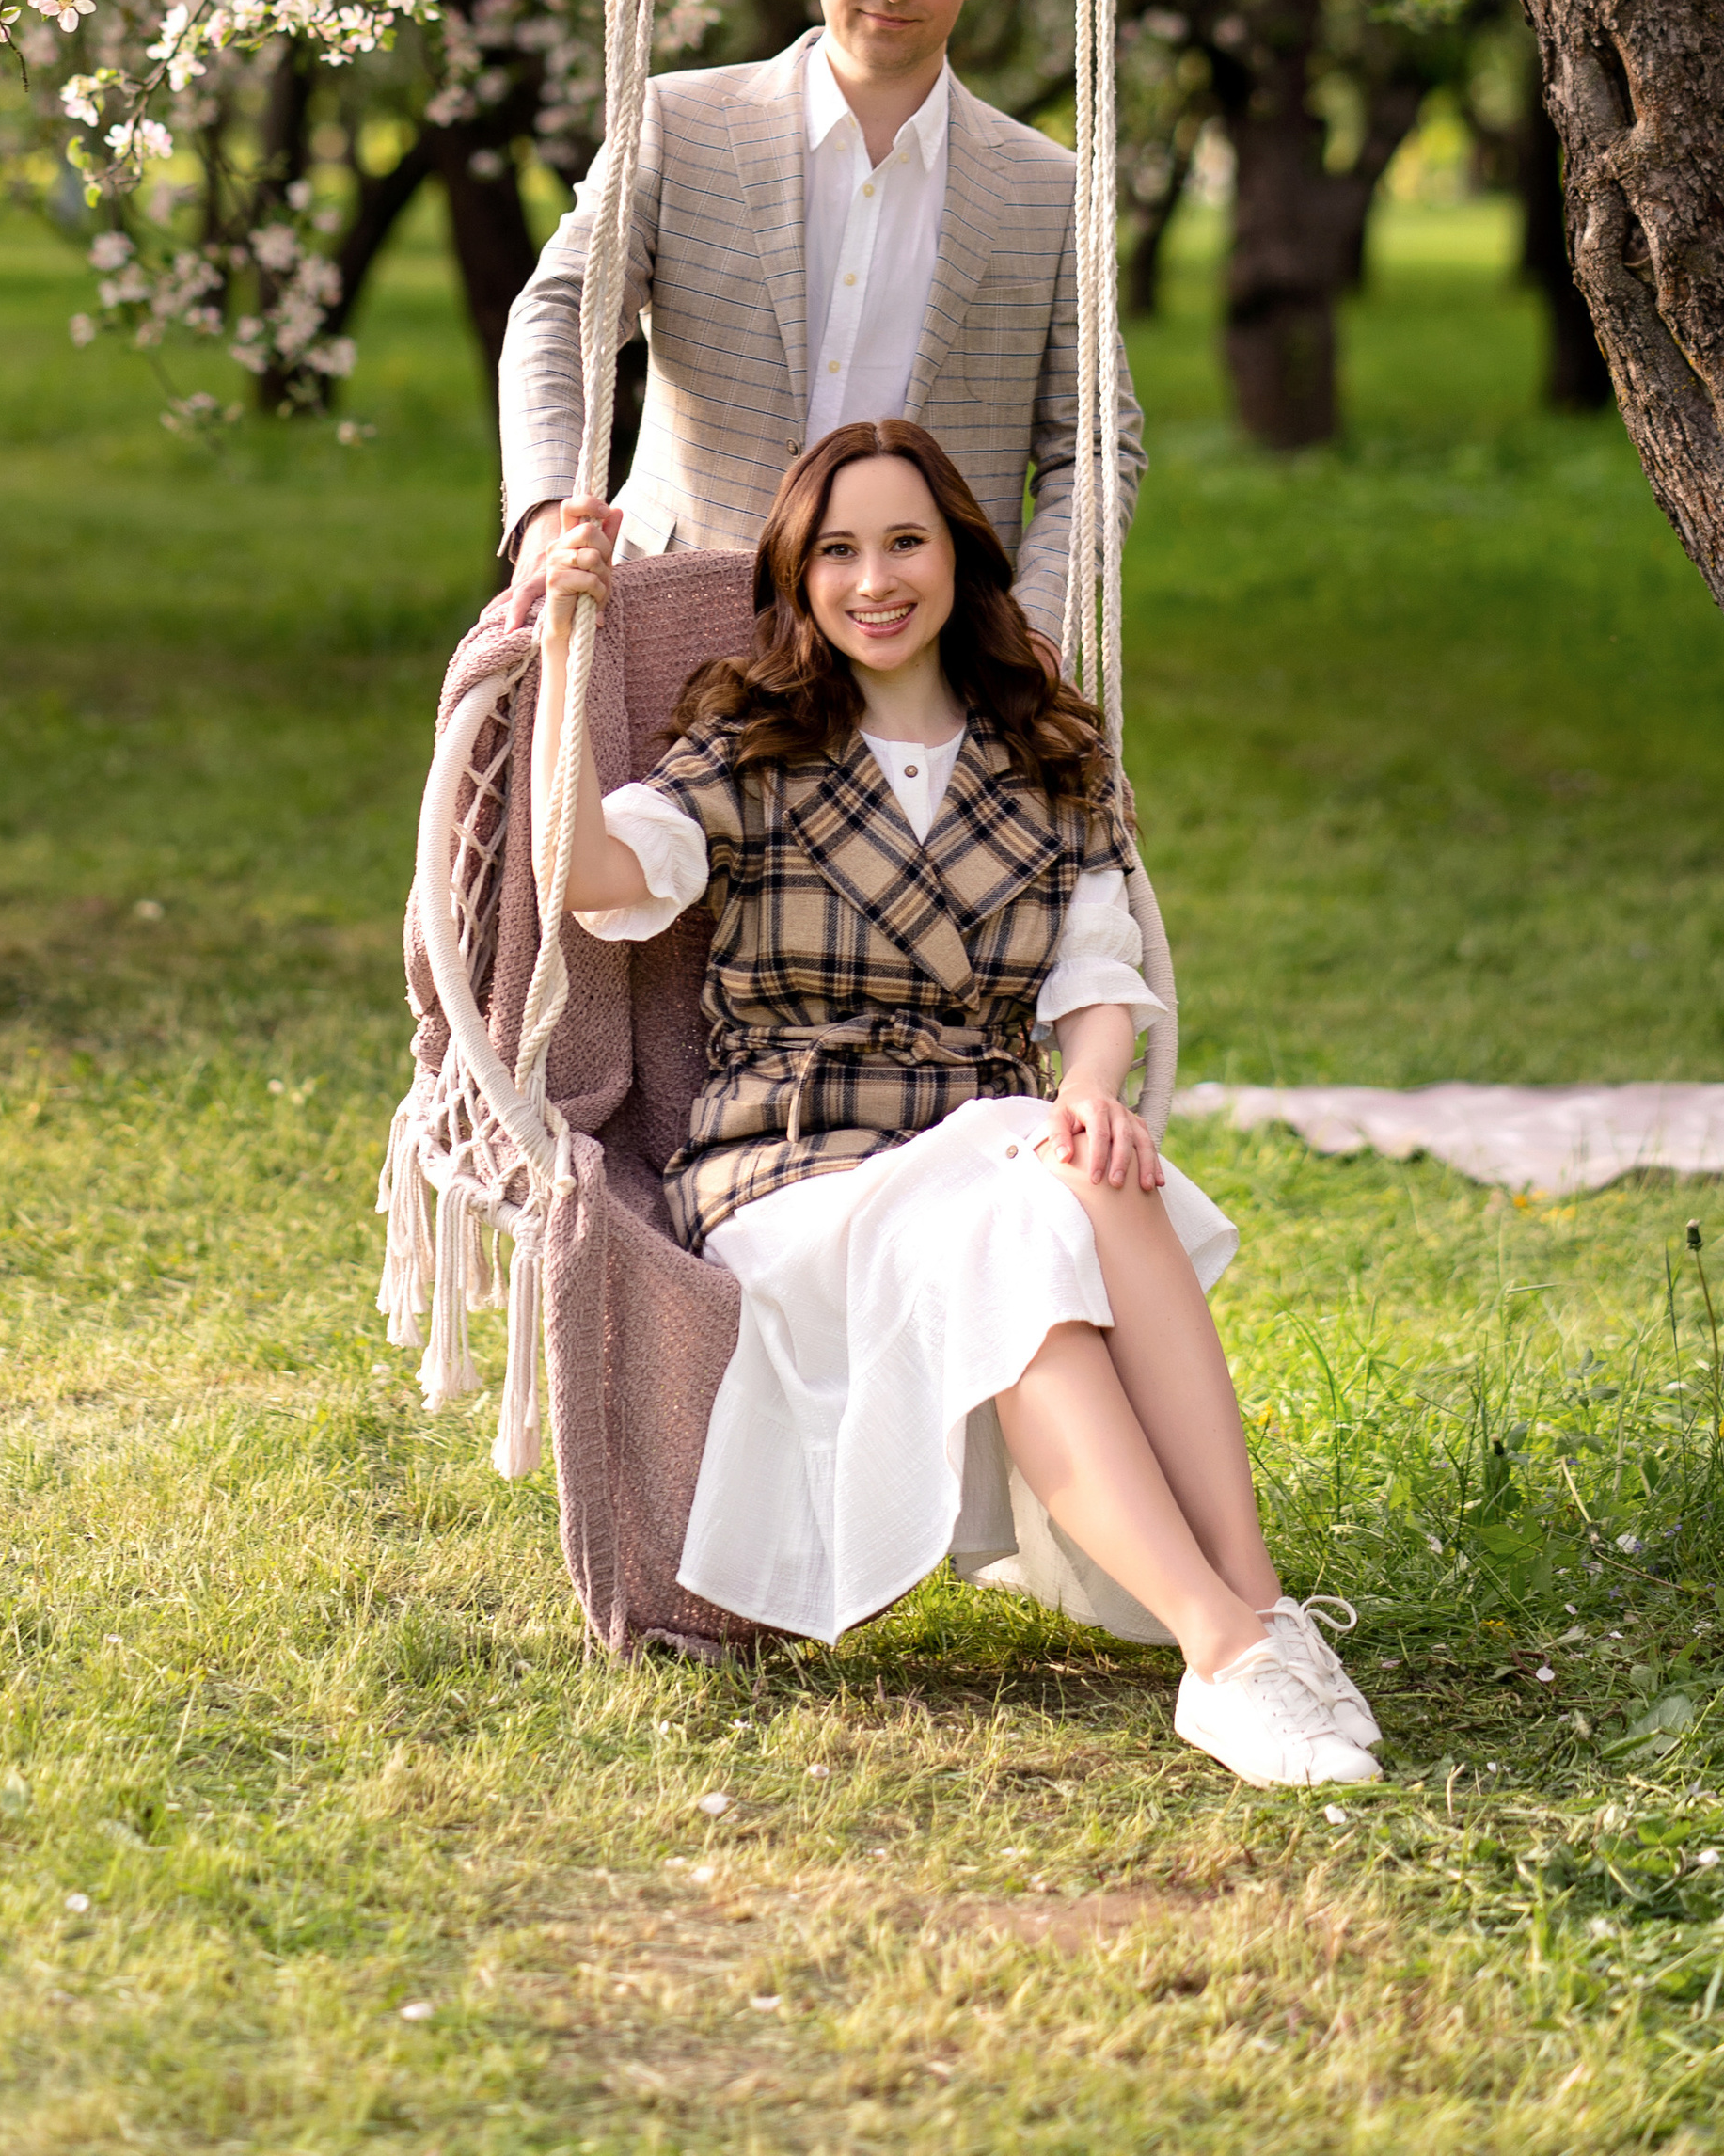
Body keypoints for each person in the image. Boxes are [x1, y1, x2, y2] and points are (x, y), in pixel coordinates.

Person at [530, 419, 1384, 1791]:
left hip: (986, 1152)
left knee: (1084, 1175)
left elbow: (1097, 972)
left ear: (959, 557)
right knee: (1024, 1196)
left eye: (906, 542)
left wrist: (1096, 1088)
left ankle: (1255, 1618)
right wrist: (572, 644)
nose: (876, 579)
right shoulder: (748, 748)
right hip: (793, 1179)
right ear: (801, 579)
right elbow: (586, 875)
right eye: (840, 551)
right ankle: (1228, 1646)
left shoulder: (1047, 754)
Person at [498, 0, 1145, 665]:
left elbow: (1096, 446)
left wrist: (1037, 623)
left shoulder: (1051, 190)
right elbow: (554, 319)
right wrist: (543, 515)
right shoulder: (676, 124)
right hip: (676, 627)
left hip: (937, 661)